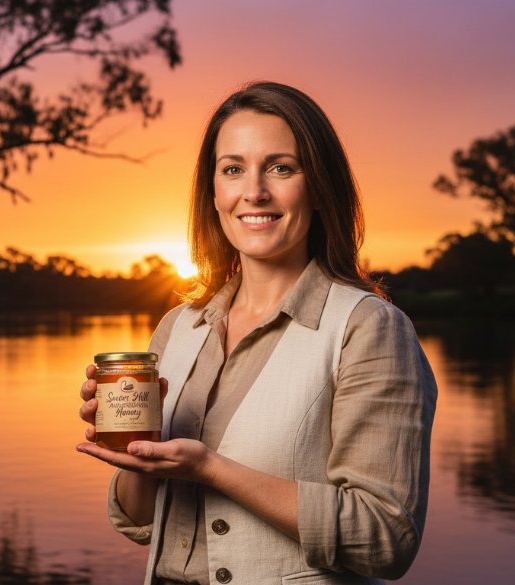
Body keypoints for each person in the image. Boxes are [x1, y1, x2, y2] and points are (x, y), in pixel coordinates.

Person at [76, 81, 437, 585]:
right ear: (214, 191)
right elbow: (143, 522)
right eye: (233, 169)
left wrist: (210, 468)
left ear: (319, 187)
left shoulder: (368, 328)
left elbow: (385, 539)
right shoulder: (178, 327)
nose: (254, 192)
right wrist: (133, 452)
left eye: (281, 167)